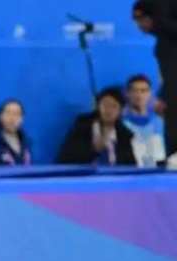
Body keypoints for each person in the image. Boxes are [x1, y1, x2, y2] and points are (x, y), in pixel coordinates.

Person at [133, 0, 177, 161]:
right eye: (136, 20)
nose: (139, 25)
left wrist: (166, 97)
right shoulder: (164, 42)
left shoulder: (168, 44)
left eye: (141, 18)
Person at [57, 87, 138, 166]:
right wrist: (93, 149)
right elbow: (65, 159)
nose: (109, 110)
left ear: (121, 111)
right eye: (105, 104)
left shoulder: (125, 136)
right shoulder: (82, 128)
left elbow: (131, 166)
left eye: (114, 106)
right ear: (98, 106)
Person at [123, 74, 168, 166]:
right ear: (127, 93)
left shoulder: (159, 122)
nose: (139, 95)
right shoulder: (121, 124)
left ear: (150, 93)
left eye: (143, 91)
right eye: (134, 91)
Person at [0, 99, 33, 166]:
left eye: (17, 114)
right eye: (8, 113)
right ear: (0, 116)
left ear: (22, 119)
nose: (12, 118)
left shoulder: (27, 141)